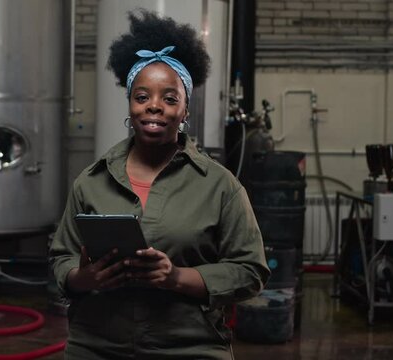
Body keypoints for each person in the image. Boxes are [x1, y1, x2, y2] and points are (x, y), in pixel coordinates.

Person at [50, 10, 270, 359]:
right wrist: (84, 278)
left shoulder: (220, 186)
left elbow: (250, 271)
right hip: (96, 346)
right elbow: (61, 255)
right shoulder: (91, 181)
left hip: (189, 347)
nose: (154, 107)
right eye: (142, 97)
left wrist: (176, 277)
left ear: (185, 111)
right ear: (131, 105)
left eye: (169, 99)